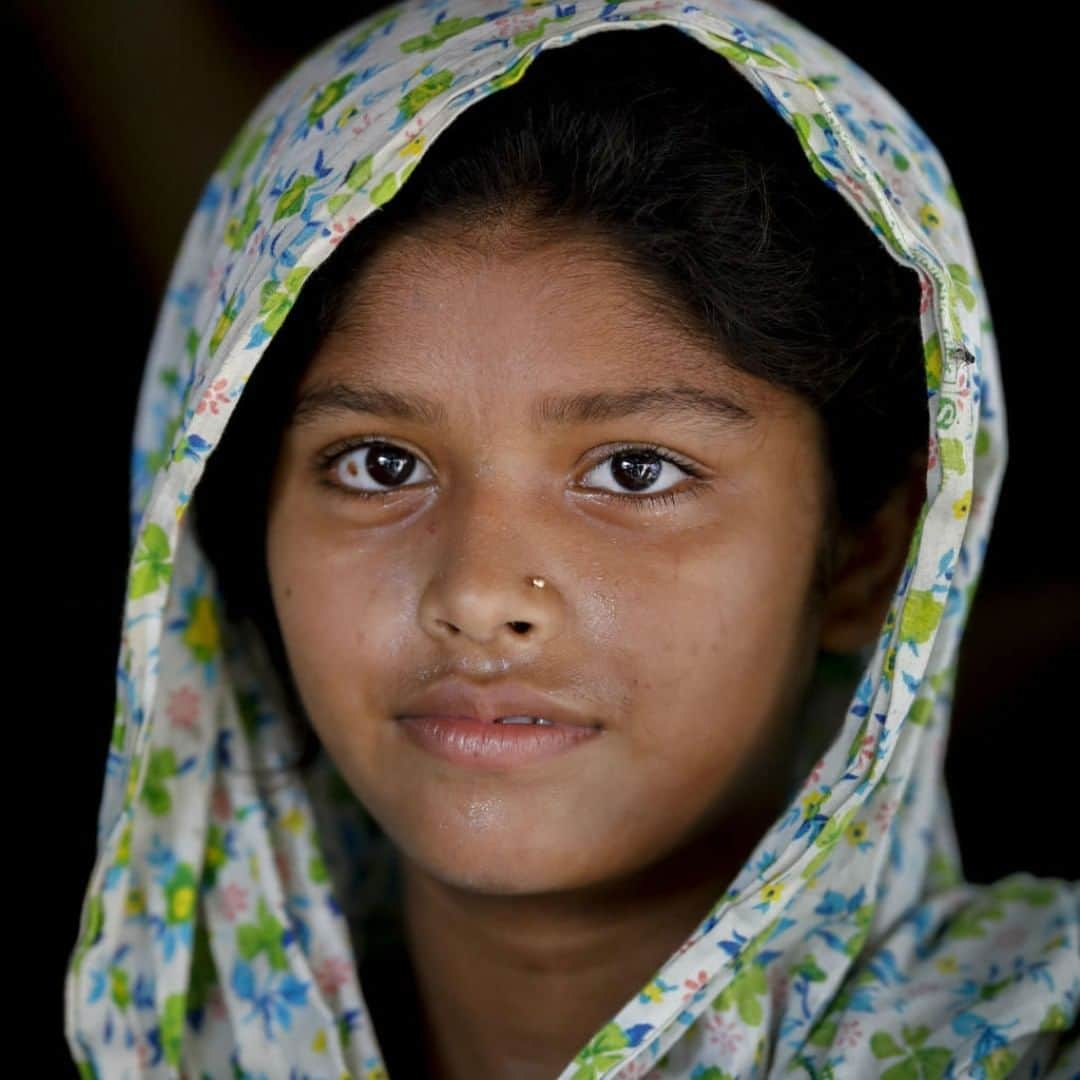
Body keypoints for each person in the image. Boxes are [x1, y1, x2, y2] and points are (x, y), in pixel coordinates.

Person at [65, 1, 1078, 1077]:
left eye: (634, 472)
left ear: (872, 553)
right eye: (379, 464)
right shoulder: (155, 1050)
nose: (479, 590)